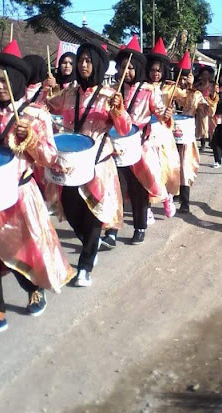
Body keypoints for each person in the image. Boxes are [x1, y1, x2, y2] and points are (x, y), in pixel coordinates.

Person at [0, 39, 75, 339]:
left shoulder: (36, 115)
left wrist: (33, 139)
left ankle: (34, 289)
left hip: (20, 196)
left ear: (19, 80)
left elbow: (52, 160)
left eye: (4, 80)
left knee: (23, 253)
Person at [48, 43, 130, 283]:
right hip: (71, 162)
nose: (82, 65)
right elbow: (48, 107)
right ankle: (89, 246)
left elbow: (123, 128)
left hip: (98, 162)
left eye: (87, 61)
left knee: (94, 211)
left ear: (97, 65)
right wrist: (45, 91)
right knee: (71, 209)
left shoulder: (109, 96)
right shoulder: (69, 93)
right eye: (80, 61)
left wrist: (119, 111)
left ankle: (84, 267)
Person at [105, 36, 173, 245]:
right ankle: (111, 231)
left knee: (138, 189)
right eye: (122, 67)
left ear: (138, 68)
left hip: (139, 146)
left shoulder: (148, 91)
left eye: (131, 68)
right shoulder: (114, 90)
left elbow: (160, 113)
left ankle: (140, 226)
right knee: (114, 187)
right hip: (115, 145)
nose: (127, 72)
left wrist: (166, 114)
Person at [174, 51, 218, 212]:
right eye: (181, 76)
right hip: (169, 137)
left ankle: (185, 202)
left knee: (185, 167)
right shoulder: (169, 91)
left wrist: (211, 100)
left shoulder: (196, 94)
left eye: (187, 77)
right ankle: (172, 194)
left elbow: (207, 111)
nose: (184, 80)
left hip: (185, 137)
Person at [146, 38, 180, 212]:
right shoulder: (143, 88)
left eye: (158, 71)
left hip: (164, 132)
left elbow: (188, 97)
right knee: (150, 170)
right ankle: (148, 208)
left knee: (168, 167)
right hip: (146, 133)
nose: (155, 74)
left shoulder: (169, 89)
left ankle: (168, 198)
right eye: (152, 70)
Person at [194, 66, 214, 151]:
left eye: (207, 74)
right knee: (201, 125)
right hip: (200, 108)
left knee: (210, 126)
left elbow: (215, 97)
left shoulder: (212, 85)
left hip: (210, 107)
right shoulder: (197, 85)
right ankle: (202, 143)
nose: (206, 76)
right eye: (204, 74)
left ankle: (211, 141)